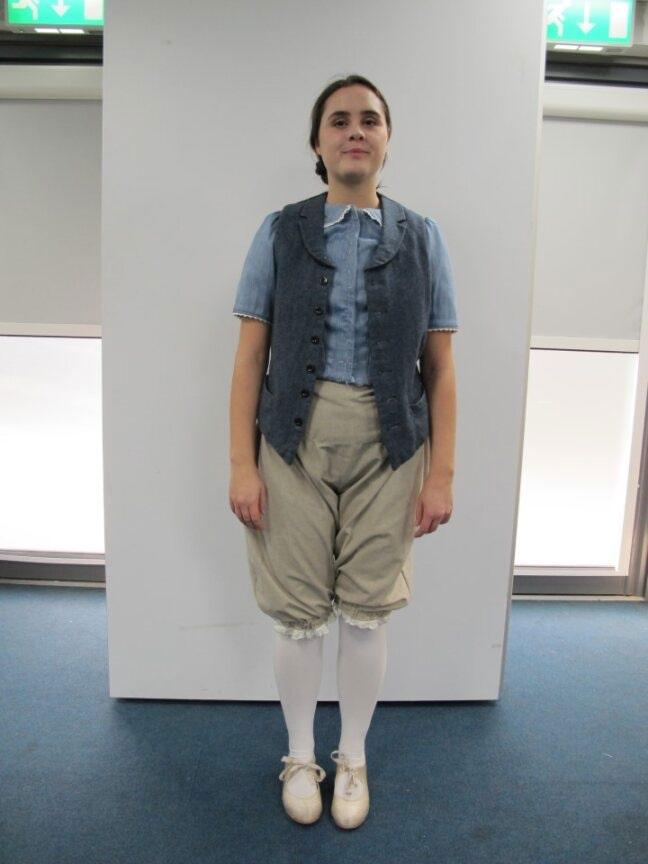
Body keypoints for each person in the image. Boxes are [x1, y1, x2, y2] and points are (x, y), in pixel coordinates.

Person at [228, 74, 459, 829]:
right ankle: (301, 754)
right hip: (291, 438)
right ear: (318, 143)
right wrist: (241, 463)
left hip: (392, 444)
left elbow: (440, 367)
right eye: (338, 120)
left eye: (369, 120)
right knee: (297, 611)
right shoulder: (279, 231)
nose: (354, 131)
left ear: (387, 140)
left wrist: (441, 474)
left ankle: (352, 756)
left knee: (366, 612)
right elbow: (250, 356)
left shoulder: (424, 237)